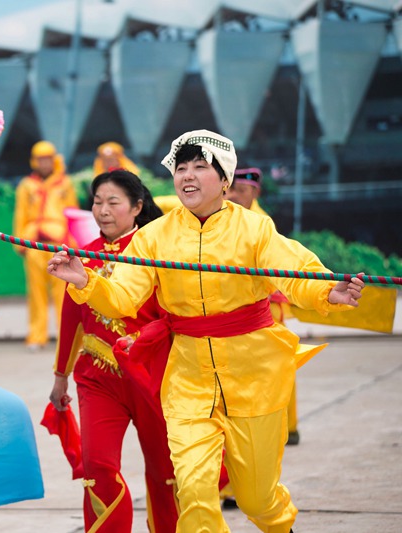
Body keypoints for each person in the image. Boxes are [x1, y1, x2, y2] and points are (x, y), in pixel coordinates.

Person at [47, 129, 365, 532]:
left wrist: (328, 291)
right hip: (188, 376)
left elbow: (297, 272)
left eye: (200, 167)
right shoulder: (153, 236)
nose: (188, 176)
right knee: (194, 491)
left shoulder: (255, 230)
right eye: (181, 168)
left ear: (225, 180)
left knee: (256, 497)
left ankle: (279, 524)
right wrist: (86, 282)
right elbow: (124, 296)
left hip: (253, 374)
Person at [49, 169, 179, 532]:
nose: (103, 210)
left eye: (113, 202)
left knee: (166, 471)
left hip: (152, 375)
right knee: (98, 468)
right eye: (97, 202)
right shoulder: (81, 257)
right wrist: (60, 377)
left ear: (137, 207)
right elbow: (71, 319)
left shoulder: (156, 254)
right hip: (97, 379)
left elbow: (174, 314)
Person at [225, 167, 300, 446]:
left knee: (279, 368)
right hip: (241, 310)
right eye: (230, 189)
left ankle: (288, 427)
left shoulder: (260, 221)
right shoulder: (228, 216)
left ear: (255, 192)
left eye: (240, 191)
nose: (233, 195)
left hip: (265, 308)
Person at [14, 140, 78, 350]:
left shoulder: (65, 183)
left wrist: (72, 243)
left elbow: (72, 213)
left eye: (48, 158)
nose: (44, 163)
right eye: (41, 159)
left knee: (63, 293)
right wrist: (20, 243)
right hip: (35, 244)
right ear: (34, 161)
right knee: (36, 293)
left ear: (54, 160)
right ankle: (36, 336)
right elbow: (20, 214)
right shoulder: (26, 185)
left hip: (59, 244)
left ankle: (65, 338)